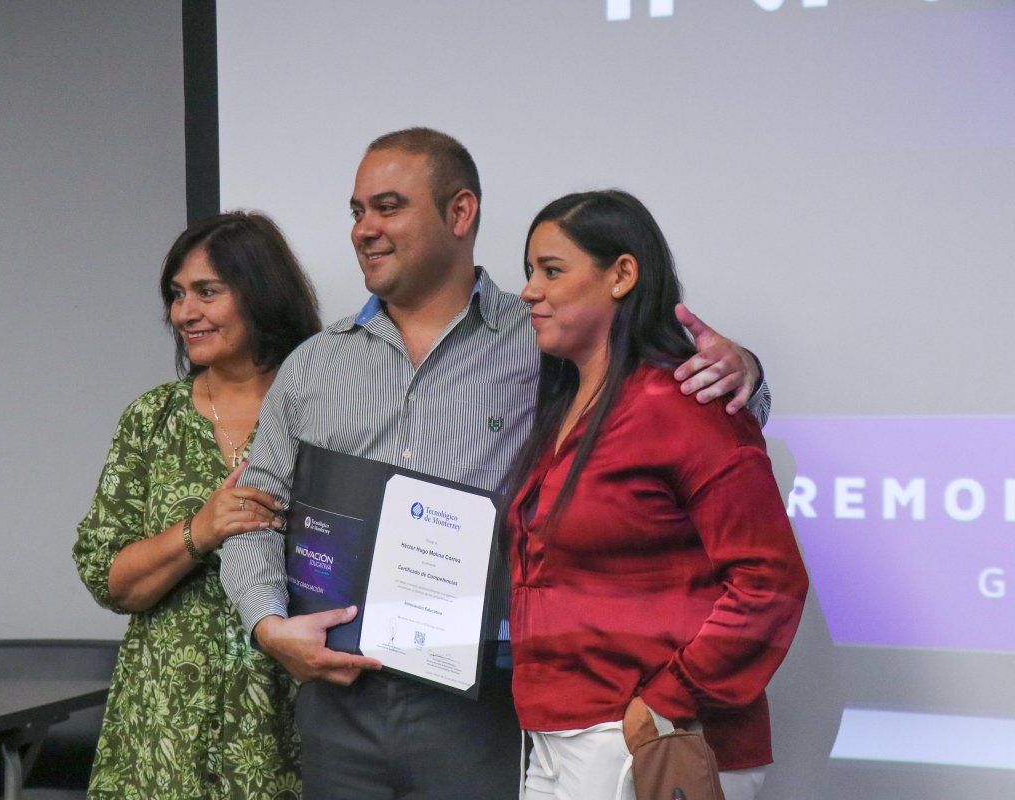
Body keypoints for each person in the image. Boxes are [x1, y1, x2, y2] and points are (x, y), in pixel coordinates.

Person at [219, 128, 771, 800]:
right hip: (340, 699)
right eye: (357, 211)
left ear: (460, 213)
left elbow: (691, 396)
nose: (366, 228)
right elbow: (254, 511)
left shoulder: (546, 336)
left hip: (486, 702)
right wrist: (268, 625)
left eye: (388, 206)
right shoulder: (313, 365)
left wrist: (744, 367)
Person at [506, 190, 808, 800]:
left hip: (654, 738)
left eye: (552, 270)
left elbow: (770, 582)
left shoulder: (684, 403)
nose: (530, 290)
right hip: (558, 734)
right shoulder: (561, 409)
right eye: (529, 272)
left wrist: (664, 706)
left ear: (622, 274)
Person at [73, 212, 321, 800]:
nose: (185, 313)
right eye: (177, 296)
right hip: (163, 726)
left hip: (289, 717)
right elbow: (110, 580)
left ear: (261, 293)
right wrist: (200, 530)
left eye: (207, 292)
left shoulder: (324, 409)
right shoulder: (152, 418)